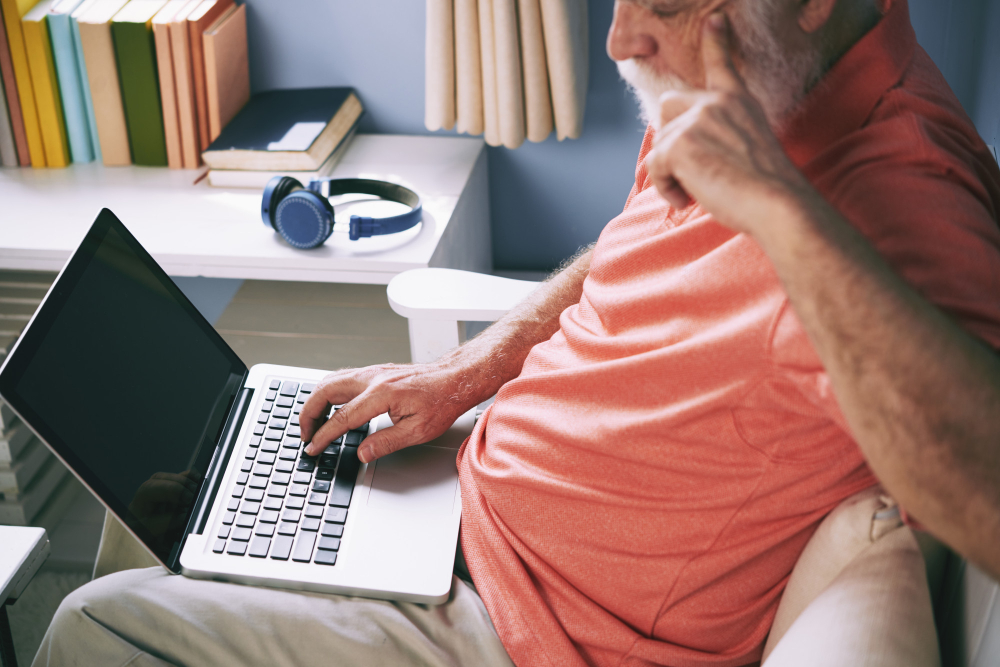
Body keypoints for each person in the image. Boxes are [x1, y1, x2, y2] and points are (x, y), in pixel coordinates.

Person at [36, 0, 1000, 666]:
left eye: (662, 3)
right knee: (177, 491)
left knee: (92, 627)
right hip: (461, 500)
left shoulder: (909, 201)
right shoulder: (765, 83)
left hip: (524, 630)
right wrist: (474, 366)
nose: (622, 39)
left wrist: (778, 205)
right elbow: (631, 246)